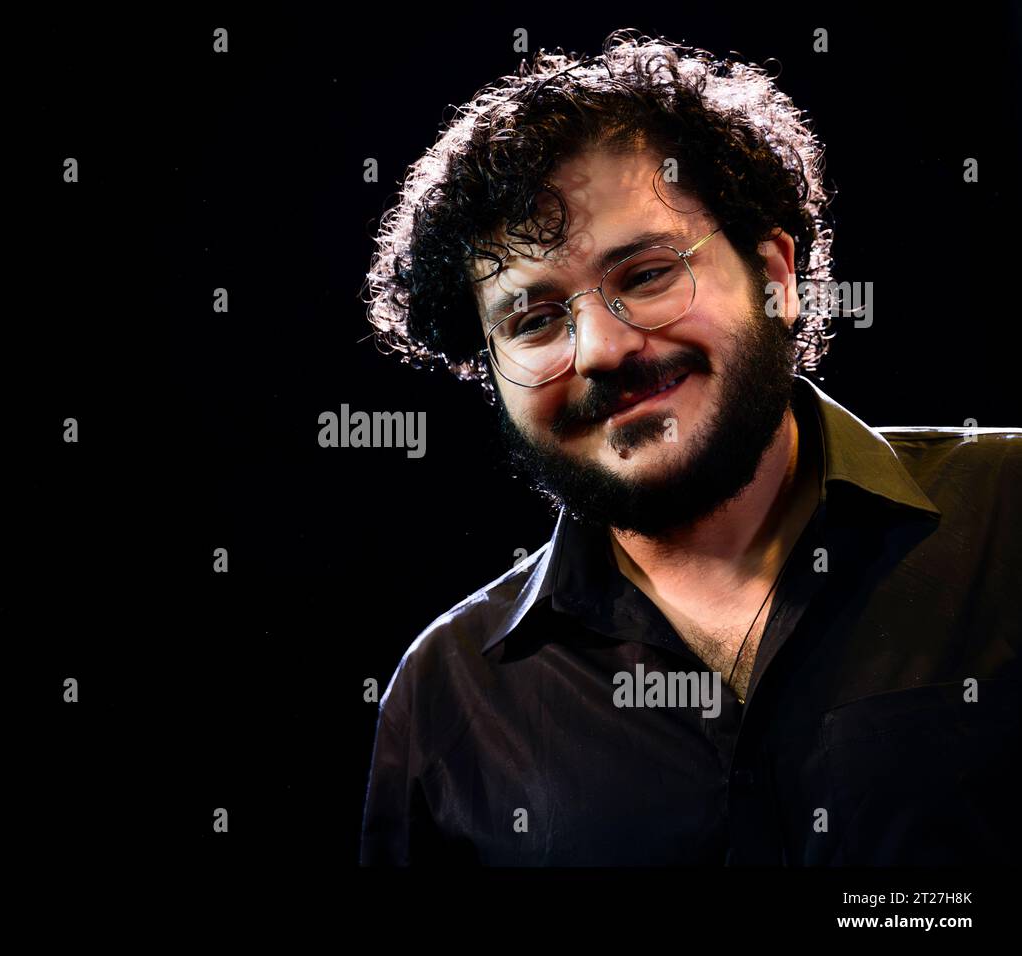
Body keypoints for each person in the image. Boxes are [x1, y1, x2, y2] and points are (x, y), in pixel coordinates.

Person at [358, 31, 1020, 865]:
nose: (600, 350)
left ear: (777, 276)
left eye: (645, 274)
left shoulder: (1009, 513)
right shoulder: (449, 693)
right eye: (533, 322)